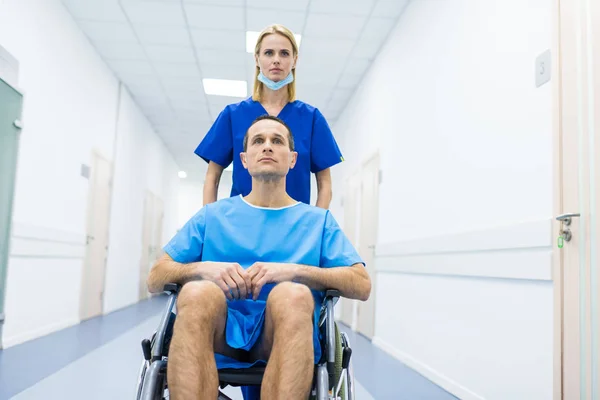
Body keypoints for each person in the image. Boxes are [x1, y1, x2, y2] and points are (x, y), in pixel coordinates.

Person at [148, 115, 371, 400]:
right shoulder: (212, 216)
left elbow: (361, 284)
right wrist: (204, 269)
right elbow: (156, 276)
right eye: (258, 141)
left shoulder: (318, 222)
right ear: (244, 159)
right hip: (218, 330)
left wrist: (294, 272)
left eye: (277, 141)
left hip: (284, 332)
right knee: (197, 292)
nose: (267, 147)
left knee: (293, 295)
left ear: (292, 159)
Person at [195, 24, 343, 209]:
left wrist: (315, 226)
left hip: (295, 226)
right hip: (240, 223)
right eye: (268, 53)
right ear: (257, 59)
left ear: (295, 60)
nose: (276, 60)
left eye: (284, 53)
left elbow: (325, 184)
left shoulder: (311, 118)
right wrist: (210, 223)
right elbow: (212, 177)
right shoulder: (233, 115)